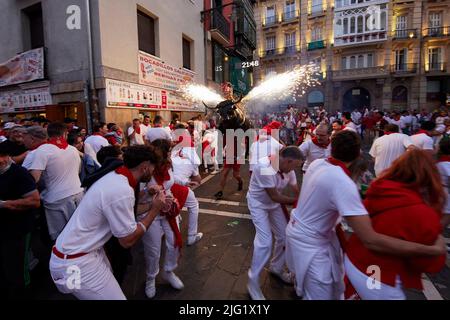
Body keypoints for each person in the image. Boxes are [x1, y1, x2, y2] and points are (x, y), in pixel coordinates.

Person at [285, 131, 446, 300]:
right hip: (321, 247)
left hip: (302, 233)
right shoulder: (343, 183)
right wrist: (431, 249)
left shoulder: (318, 164)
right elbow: (369, 238)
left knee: (321, 287)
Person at [49, 145, 166, 300]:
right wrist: (155, 210)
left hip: (75, 256)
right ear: (144, 167)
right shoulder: (122, 190)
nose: (153, 172)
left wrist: (146, 194)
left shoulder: (115, 176)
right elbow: (127, 240)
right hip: (75, 264)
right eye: (152, 168)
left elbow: (117, 206)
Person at [345, 149, 447, 299]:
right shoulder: (423, 212)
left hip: (356, 260)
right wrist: (437, 247)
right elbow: (429, 264)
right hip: (379, 274)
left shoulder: (380, 188)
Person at [247, 147, 302, 300]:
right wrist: (300, 203)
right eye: (294, 166)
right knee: (264, 242)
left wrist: (304, 201)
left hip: (274, 205)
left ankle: (276, 268)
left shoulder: (287, 169)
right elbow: (275, 196)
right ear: (287, 161)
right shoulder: (263, 167)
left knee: (285, 236)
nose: (294, 170)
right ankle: (253, 282)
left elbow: (296, 189)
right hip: (258, 204)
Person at [140, 139, 191, 298]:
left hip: (167, 210)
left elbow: (171, 180)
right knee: (153, 250)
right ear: (158, 152)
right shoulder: (145, 168)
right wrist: (149, 191)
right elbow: (135, 196)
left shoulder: (168, 164)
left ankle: (168, 271)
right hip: (150, 212)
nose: (170, 154)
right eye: (168, 151)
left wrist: (185, 181)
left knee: (174, 242)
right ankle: (151, 279)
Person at [25, 123, 84, 241]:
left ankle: (62, 258)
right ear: (65, 134)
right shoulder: (73, 149)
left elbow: (34, 178)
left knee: (60, 238)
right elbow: (78, 171)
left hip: (56, 199)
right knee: (79, 232)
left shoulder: (42, 150)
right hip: (78, 193)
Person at [0, 143, 40, 299]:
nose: (2, 160)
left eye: (4, 155)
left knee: (17, 270)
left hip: (17, 230)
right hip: (3, 230)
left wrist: (4, 204)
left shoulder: (19, 174)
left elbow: (34, 201)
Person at [437, 137, 450, 229]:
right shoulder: (446, 164)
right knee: (446, 216)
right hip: (445, 192)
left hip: (439, 190)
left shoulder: (438, 163)